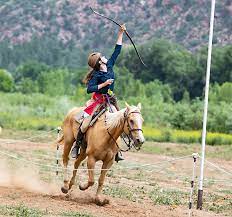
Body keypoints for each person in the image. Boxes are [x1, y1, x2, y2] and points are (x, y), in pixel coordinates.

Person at [71, 24, 126, 161]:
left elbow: (117, 50)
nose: (105, 57)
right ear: (99, 62)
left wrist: (120, 33)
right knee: (85, 124)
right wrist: (104, 84)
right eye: (102, 57)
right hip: (97, 100)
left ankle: (117, 151)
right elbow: (89, 89)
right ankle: (77, 146)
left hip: (111, 99)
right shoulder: (96, 75)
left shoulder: (110, 65)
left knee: (121, 120)